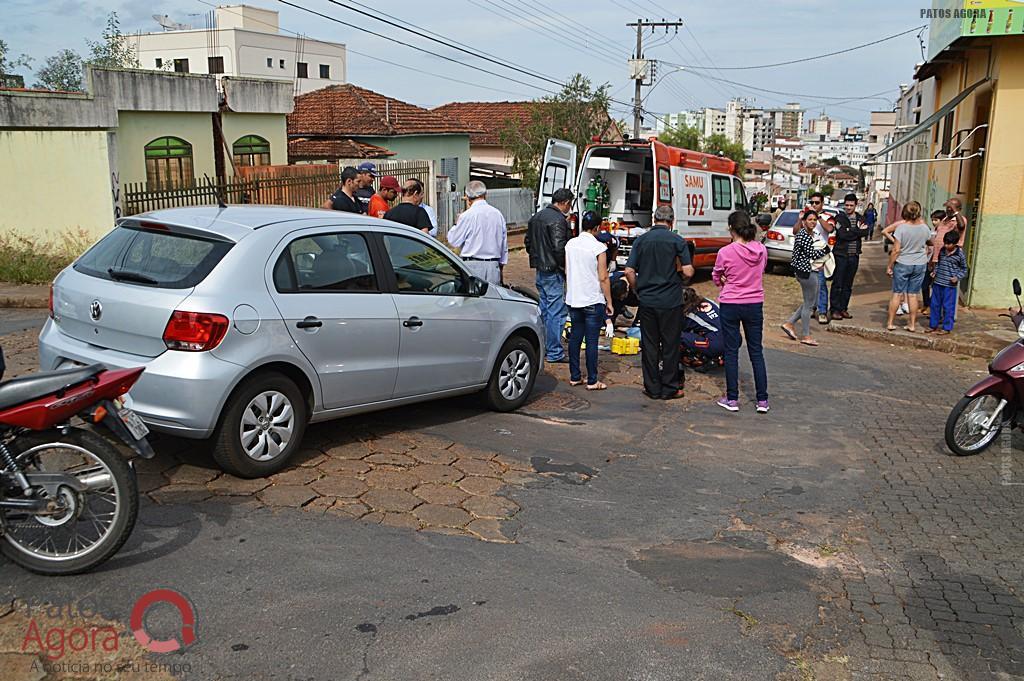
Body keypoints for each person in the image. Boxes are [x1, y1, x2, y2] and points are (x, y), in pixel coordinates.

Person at [624, 205, 694, 400]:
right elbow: (688, 271)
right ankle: (669, 387)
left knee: (650, 344)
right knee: (670, 344)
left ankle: (652, 387)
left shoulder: (641, 240)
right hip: (671, 300)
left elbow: (628, 271)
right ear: (671, 222)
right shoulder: (677, 241)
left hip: (647, 300)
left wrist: (637, 288)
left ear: (654, 219)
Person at [712, 211, 769, 413]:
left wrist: (723, 283)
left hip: (731, 303)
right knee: (756, 351)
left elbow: (716, 274)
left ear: (731, 228)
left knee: (731, 351)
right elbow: (761, 271)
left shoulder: (725, 252)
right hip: (754, 303)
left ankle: (732, 398)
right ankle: (762, 400)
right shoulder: (761, 249)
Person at [564, 208, 614, 390]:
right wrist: (609, 302)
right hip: (593, 299)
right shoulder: (599, 247)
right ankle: (593, 380)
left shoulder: (570, 244)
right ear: (597, 228)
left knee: (575, 338)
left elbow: (568, 270)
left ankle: (575, 375)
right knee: (592, 341)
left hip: (574, 298)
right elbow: (603, 277)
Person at [525, 188, 573, 363]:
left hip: (540, 269)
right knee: (555, 312)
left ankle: (544, 347)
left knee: (545, 310)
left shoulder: (536, 217)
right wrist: (565, 268)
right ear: (566, 202)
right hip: (553, 271)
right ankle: (554, 351)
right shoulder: (559, 220)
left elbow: (528, 242)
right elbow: (560, 247)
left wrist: (537, 259)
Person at [782, 209, 832, 346]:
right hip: (806, 273)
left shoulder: (810, 234)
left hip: (809, 271)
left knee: (811, 302)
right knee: (809, 305)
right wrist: (826, 250)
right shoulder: (803, 235)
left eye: (815, 220)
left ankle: (789, 323)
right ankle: (806, 335)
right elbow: (812, 255)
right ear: (804, 221)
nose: (813, 222)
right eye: (810, 219)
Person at [447, 180, 508, 286]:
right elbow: (504, 245)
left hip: (472, 265)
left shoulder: (466, 216)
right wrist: (500, 266)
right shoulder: (497, 214)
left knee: (473, 300)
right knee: (493, 300)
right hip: (493, 266)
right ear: (485, 194)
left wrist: (457, 223)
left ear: (467, 197)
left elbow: (453, 241)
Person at [885, 201, 931, 333]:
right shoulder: (924, 228)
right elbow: (929, 241)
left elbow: (896, 250)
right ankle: (912, 324)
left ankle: (890, 323)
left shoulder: (902, 228)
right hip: (920, 263)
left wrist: (890, 265)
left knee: (897, 293)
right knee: (913, 295)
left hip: (904, 263)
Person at [797, 192, 835, 324]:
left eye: (817, 203)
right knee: (809, 284)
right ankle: (811, 307)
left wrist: (817, 217)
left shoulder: (827, 216)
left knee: (821, 284)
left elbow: (829, 229)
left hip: (820, 256)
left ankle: (822, 311)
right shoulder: (806, 216)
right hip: (807, 256)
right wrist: (800, 220)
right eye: (812, 202)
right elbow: (795, 231)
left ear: (822, 204)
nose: (813, 205)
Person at [829, 193, 869, 321]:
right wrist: (856, 231)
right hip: (841, 255)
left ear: (856, 205)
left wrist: (851, 231)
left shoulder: (860, 218)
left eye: (851, 205)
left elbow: (865, 232)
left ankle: (843, 308)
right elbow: (842, 235)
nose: (848, 207)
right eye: (847, 205)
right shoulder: (840, 217)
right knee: (838, 283)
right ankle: (834, 309)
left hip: (854, 255)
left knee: (848, 284)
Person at [927, 230, 968, 335]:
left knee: (948, 307)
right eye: (945, 243)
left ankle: (947, 328)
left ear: (955, 244)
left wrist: (957, 277)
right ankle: (933, 325)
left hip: (949, 286)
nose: (946, 245)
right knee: (934, 305)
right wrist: (935, 272)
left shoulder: (960, 255)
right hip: (938, 283)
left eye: (948, 244)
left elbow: (964, 269)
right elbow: (939, 264)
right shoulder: (942, 251)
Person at [680, 287, 723, 369]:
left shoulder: (690, 314)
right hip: (735, 336)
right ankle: (721, 356)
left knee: (679, 335)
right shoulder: (707, 300)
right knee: (707, 328)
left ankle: (704, 357)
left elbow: (680, 328)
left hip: (718, 344)